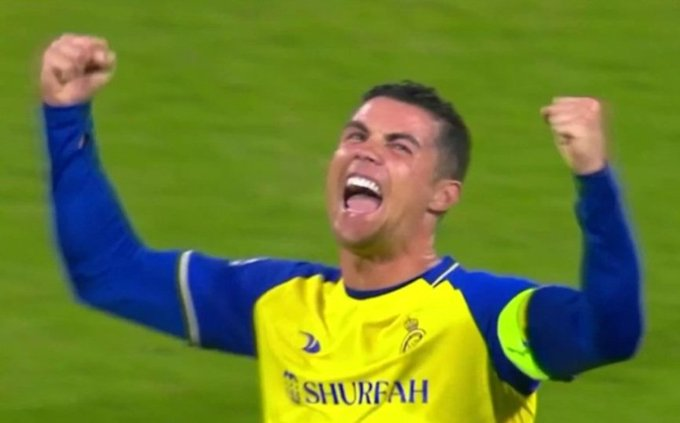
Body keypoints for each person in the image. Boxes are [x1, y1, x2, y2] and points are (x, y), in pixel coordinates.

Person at [40, 34, 643, 422]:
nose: (365, 152)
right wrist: (65, 117)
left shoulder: (485, 317)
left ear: (442, 196)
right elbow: (109, 274)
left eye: (399, 146)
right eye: (356, 136)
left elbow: (608, 332)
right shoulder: (279, 304)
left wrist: (594, 178)